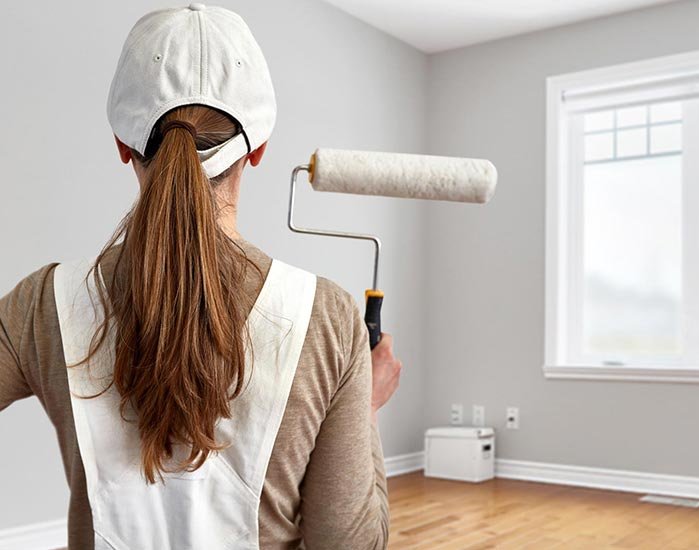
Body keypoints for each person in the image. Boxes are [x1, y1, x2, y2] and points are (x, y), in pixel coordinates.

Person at [0, 4, 401, 549]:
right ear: (257, 149)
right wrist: (366, 406)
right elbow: (348, 543)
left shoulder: (43, 305)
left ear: (122, 144)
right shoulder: (328, 320)